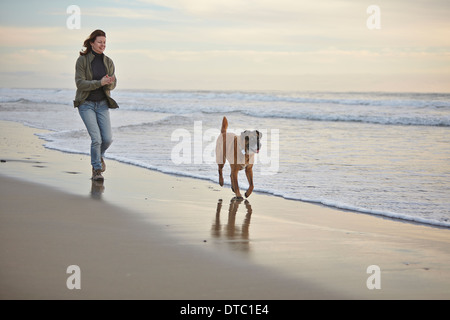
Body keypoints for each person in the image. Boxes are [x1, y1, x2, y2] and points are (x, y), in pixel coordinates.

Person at [74, 29, 118, 181]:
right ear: (92, 43)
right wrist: (100, 82)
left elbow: (113, 83)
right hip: (86, 104)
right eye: (99, 42)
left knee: (107, 139)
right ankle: (96, 170)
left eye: (104, 42)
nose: (102, 45)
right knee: (96, 139)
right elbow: (80, 83)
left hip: (102, 104)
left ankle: (99, 156)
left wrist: (109, 83)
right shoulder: (82, 60)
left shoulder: (109, 62)